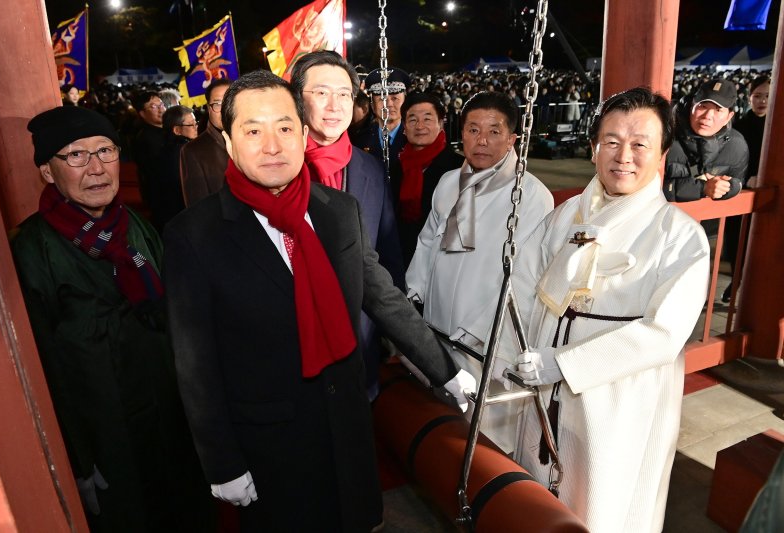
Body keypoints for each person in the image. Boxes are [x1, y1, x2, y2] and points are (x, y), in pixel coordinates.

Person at [162, 70, 474, 532]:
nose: (272, 145)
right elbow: (194, 362)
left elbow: (383, 296)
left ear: (303, 134)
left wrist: (446, 371)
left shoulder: (337, 211)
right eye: (253, 130)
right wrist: (221, 460)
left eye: (285, 128)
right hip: (269, 444)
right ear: (229, 142)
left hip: (346, 425)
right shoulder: (194, 236)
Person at [511, 88, 710, 532]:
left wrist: (562, 364)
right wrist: (519, 351)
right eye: (612, 141)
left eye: (640, 144)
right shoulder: (565, 217)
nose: (624, 156)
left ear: (661, 153)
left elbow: (664, 333)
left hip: (618, 397)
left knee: (606, 503)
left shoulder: (680, 235)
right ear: (594, 146)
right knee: (536, 499)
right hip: (543, 384)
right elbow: (523, 286)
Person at [11, 106, 213, 532]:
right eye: (77, 156)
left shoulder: (136, 228)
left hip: (169, 421)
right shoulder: (33, 250)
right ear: (48, 171)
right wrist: (78, 460)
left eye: (106, 151)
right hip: (107, 437)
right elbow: (41, 366)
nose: (97, 168)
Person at [405, 91, 554, 453]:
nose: (482, 140)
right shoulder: (447, 183)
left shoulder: (531, 195)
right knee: (443, 414)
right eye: (473, 130)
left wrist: (479, 327)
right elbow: (428, 242)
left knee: (484, 427)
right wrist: (413, 295)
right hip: (440, 317)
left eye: (494, 131)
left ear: (513, 138)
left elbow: (525, 275)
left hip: (485, 327)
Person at [290, 50, 404, 399]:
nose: (334, 105)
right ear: (297, 99)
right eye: (322, 93)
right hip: (292, 345)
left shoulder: (368, 169)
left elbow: (387, 252)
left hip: (358, 341)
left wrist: (396, 331)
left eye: (344, 94)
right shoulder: (278, 165)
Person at [396, 91, 464, 265]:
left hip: (445, 261)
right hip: (404, 258)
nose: (420, 126)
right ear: (404, 126)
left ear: (440, 123)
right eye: (412, 120)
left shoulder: (459, 168)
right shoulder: (396, 167)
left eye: (427, 119)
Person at [724, 76, 771, 301]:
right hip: (742, 191)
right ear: (749, 97)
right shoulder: (738, 127)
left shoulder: (777, 127)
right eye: (758, 96)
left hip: (768, 194)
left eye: (768, 96)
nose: (762, 101)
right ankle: (736, 281)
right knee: (737, 243)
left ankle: (750, 286)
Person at [664, 78, 748, 202]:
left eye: (718, 110)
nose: (708, 116)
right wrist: (701, 188)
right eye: (703, 106)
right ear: (692, 105)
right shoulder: (665, 135)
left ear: (729, 117)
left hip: (709, 218)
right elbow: (643, 188)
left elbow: (739, 181)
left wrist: (730, 187)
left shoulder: (736, 144)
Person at [350, 67, 410, 180]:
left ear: (405, 102)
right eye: (382, 99)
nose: (389, 104)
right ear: (372, 105)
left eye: (395, 98)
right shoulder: (358, 139)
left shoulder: (414, 138)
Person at [179, 79, 232, 206]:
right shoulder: (193, 151)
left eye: (231, 101)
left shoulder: (255, 140)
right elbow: (197, 206)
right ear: (208, 108)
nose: (225, 109)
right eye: (218, 104)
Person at [145, 105, 196, 230]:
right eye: (191, 125)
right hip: (181, 219)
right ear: (177, 130)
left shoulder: (163, 150)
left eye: (196, 123)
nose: (196, 128)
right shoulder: (185, 153)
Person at [131, 91, 167, 207]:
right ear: (142, 113)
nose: (161, 110)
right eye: (154, 107)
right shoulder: (144, 138)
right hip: (160, 193)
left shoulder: (168, 130)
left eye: (161, 104)